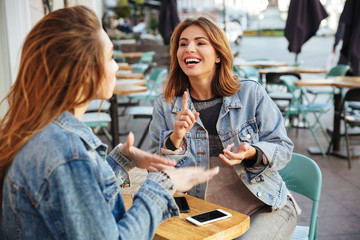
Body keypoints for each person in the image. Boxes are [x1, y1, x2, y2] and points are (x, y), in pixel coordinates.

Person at [0, 6, 219, 240]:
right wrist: (162, 184)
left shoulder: (50, 135)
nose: (115, 66)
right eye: (111, 56)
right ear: (85, 71)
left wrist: (122, 159)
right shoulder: (66, 153)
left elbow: (81, 202)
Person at [149, 17, 298, 239]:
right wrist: (175, 140)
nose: (189, 48)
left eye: (200, 43)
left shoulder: (250, 94)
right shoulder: (166, 104)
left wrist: (253, 152)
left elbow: (283, 148)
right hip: (205, 211)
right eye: (183, 43)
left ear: (218, 54)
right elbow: (155, 170)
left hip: (263, 206)